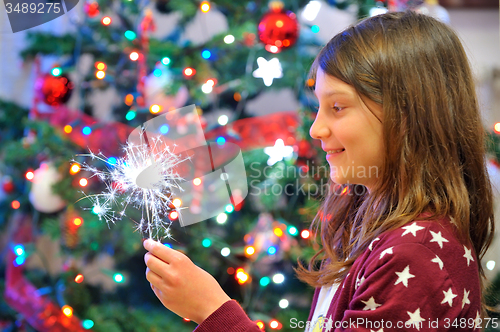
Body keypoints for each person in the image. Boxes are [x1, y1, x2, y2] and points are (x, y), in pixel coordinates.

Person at [143, 10, 496, 331]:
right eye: (318, 108)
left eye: (338, 107)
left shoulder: (415, 256)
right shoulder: (371, 220)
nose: (316, 129)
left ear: (406, 114)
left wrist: (214, 311)